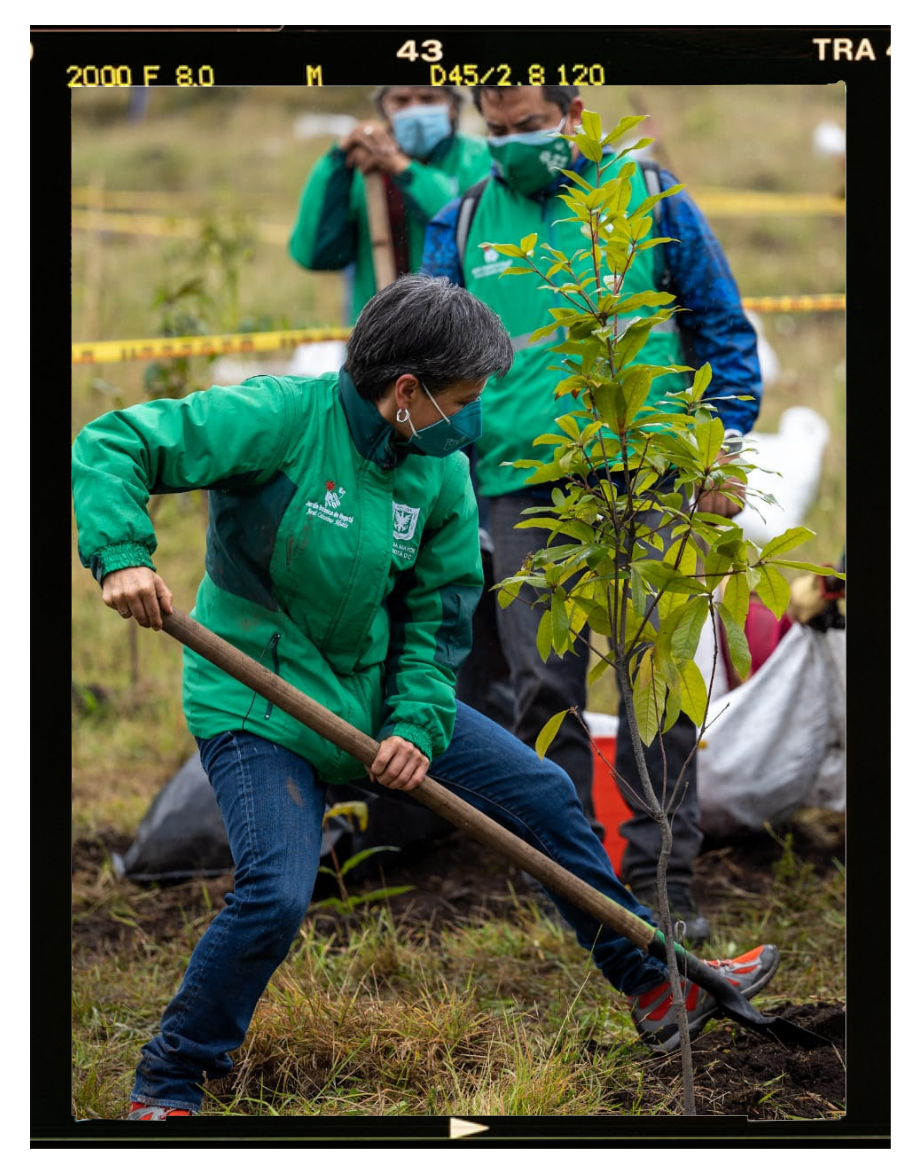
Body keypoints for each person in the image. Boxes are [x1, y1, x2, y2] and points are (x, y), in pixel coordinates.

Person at [71, 274, 778, 1119]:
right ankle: (169, 1076)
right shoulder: (277, 418)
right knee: (275, 892)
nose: (473, 415)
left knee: (544, 796)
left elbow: (441, 614)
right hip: (253, 699)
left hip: (371, 691)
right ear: (406, 392)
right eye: (465, 397)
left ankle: (658, 988)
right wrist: (122, 552)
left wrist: (411, 722)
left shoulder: (437, 467)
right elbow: (114, 443)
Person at [422, 86, 764, 945]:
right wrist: (443, 474)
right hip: (519, 487)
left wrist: (716, 449)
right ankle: (574, 881)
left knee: (657, 674)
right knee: (543, 688)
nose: (510, 145)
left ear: (573, 112)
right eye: (493, 132)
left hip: (647, 475)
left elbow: (722, 330)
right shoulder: (462, 222)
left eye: (528, 127)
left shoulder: (649, 198)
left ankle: (665, 877)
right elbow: (425, 363)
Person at [288, 85, 491, 323]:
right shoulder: (362, 167)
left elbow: (471, 231)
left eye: (428, 99)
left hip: (457, 328)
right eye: (401, 100)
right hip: (379, 332)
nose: (415, 110)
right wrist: (339, 158)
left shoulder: (480, 157)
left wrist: (401, 168)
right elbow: (313, 253)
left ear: (453, 107)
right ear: (383, 109)